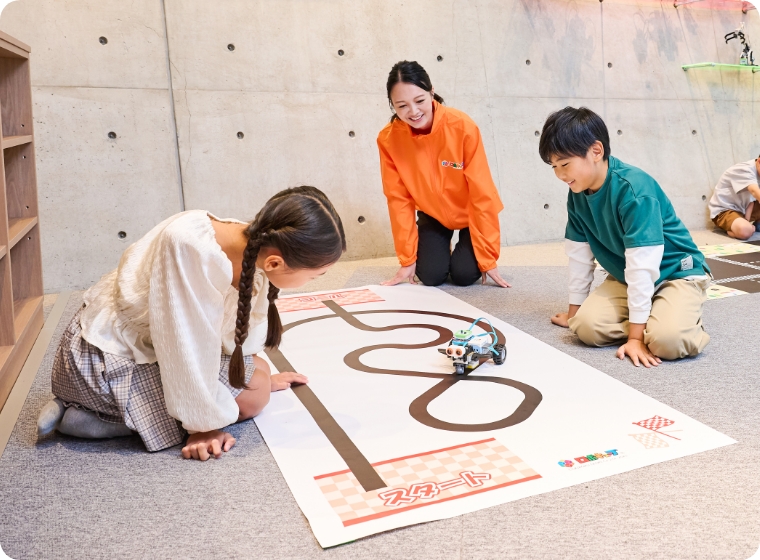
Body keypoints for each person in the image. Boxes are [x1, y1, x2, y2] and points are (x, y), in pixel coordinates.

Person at [37, 186, 346, 460]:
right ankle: (95, 417)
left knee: (260, 372)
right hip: (99, 366)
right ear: (275, 262)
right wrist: (203, 426)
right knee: (255, 396)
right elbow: (183, 345)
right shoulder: (190, 248)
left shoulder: (249, 242)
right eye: (315, 275)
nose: (315, 280)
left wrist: (251, 370)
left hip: (146, 347)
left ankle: (93, 410)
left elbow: (221, 334)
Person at [540, 107, 711, 367]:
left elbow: (642, 266)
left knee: (669, 341)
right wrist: (574, 314)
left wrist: (635, 338)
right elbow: (579, 256)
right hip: (626, 275)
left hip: (676, 273)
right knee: (585, 328)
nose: (560, 175)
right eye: (554, 166)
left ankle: (670, 324)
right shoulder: (577, 192)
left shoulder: (634, 190)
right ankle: (653, 318)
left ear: (596, 151)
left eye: (564, 164)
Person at [377, 60, 509, 288]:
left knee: (464, 275)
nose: (413, 112)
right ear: (392, 105)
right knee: (431, 276)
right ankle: (440, 249)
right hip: (433, 214)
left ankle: (464, 251)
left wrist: (487, 258)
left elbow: (482, 193)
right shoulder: (389, 139)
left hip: (471, 215)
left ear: (432, 92)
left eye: (419, 101)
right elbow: (398, 200)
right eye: (402, 106)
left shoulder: (462, 127)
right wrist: (407, 259)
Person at [708, 155, 760, 240]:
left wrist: (747, 220)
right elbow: (754, 191)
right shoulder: (744, 170)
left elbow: (751, 201)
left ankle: (755, 224)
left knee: (748, 227)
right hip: (725, 211)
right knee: (746, 230)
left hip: (745, 209)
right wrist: (748, 226)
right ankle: (733, 230)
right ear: (759, 161)